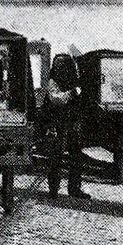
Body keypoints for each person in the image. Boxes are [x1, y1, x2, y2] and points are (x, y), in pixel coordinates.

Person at [43, 53, 90, 200]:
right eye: (58, 65)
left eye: (63, 66)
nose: (59, 68)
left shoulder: (74, 82)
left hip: (72, 124)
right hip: (57, 124)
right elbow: (57, 99)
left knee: (76, 157)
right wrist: (72, 92)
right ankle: (53, 190)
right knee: (55, 158)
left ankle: (74, 189)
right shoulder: (53, 82)